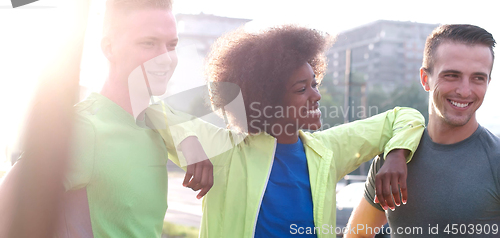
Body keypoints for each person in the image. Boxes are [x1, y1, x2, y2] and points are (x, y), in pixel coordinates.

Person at [153, 25, 426, 238]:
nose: (316, 96)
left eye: (315, 84)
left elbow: (404, 117)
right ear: (267, 99)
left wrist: (396, 154)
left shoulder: (327, 150)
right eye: (301, 89)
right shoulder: (227, 151)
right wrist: (189, 140)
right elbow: (153, 109)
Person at [1, 0, 213, 238]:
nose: (165, 58)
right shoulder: (82, 129)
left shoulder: (155, 130)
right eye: (149, 43)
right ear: (109, 48)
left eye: (171, 45)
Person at [346, 24, 500, 238]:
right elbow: (358, 234)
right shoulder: (392, 158)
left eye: (478, 78)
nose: (465, 91)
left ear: (488, 82)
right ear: (425, 78)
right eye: (452, 75)